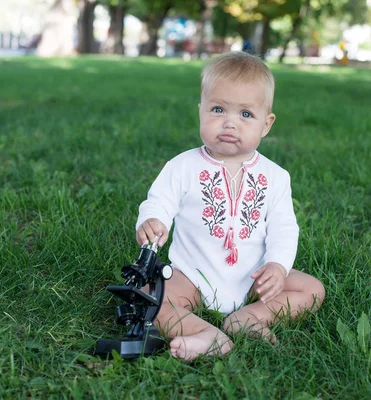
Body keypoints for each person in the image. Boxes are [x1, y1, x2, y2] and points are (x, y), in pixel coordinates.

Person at [135, 51, 325, 361]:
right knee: (146, 296)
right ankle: (204, 334)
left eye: (245, 114)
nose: (229, 123)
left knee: (312, 289)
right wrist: (153, 221)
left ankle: (250, 318)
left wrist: (277, 265)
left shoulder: (275, 177)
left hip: (253, 278)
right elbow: (159, 202)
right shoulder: (183, 166)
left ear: (266, 124)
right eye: (218, 109)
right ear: (201, 111)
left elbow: (284, 228)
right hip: (191, 275)